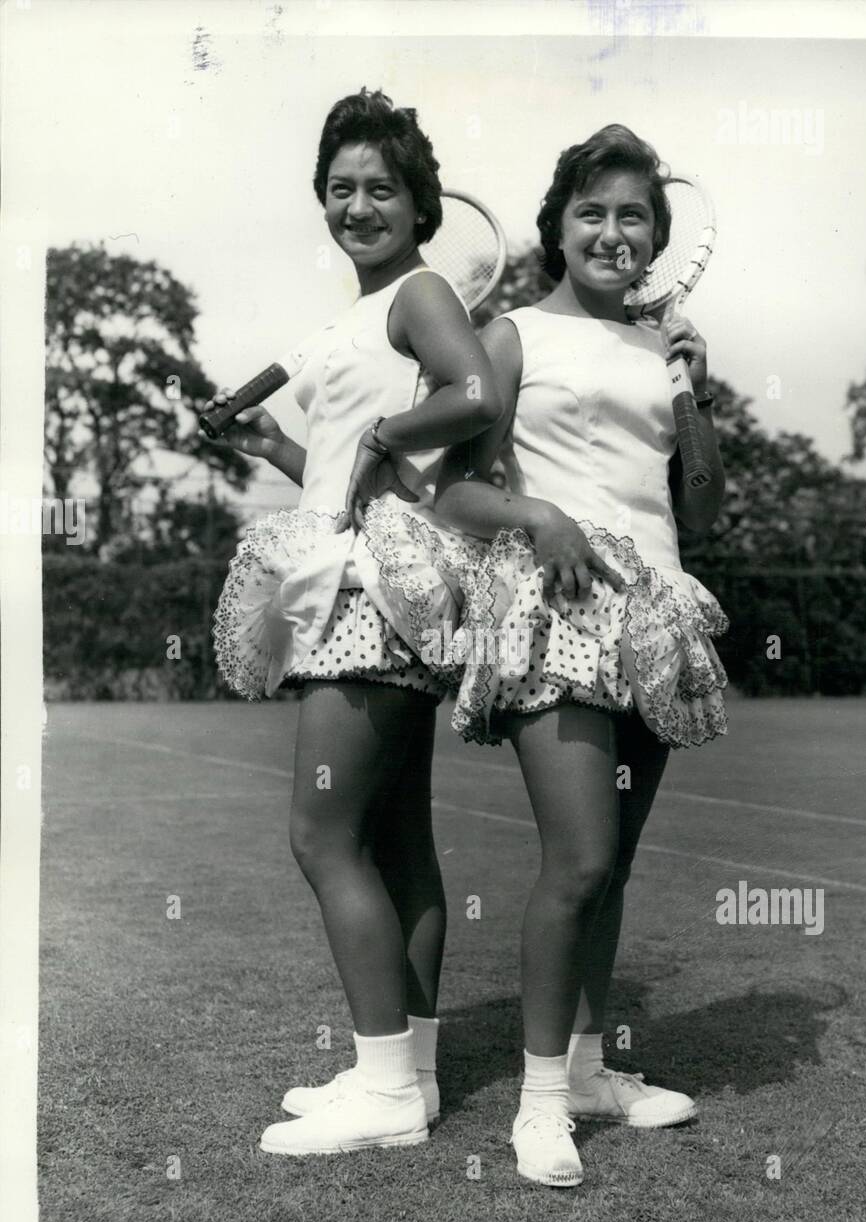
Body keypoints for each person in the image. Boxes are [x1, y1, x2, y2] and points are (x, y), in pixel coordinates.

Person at [365, 124, 728, 1187]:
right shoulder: (516, 334)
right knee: (573, 859)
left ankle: (584, 1068)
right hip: (555, 603)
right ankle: (535, 1106)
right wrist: (540, 518)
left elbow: (697, 505)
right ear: (557, 228)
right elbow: (452, 491)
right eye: (591, 213)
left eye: (631, 217)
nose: (611, 232)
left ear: (655, 238)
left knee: (609, 865)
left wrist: (696, 395)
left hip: (654, 610)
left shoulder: (665, 347)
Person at [206, 89, 500, 1157]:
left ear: (420, 204)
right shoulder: (347, 314)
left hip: (374, 586)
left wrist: (381, 428)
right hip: (345, 562)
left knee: (318, 833)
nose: (358, 204)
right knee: (392, 834)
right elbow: (331, 467)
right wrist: (271, 448)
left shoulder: (421, 290)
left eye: (381, 187)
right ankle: (406, 1074)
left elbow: (473, 393)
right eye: (340, 188)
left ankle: (380, 1096)